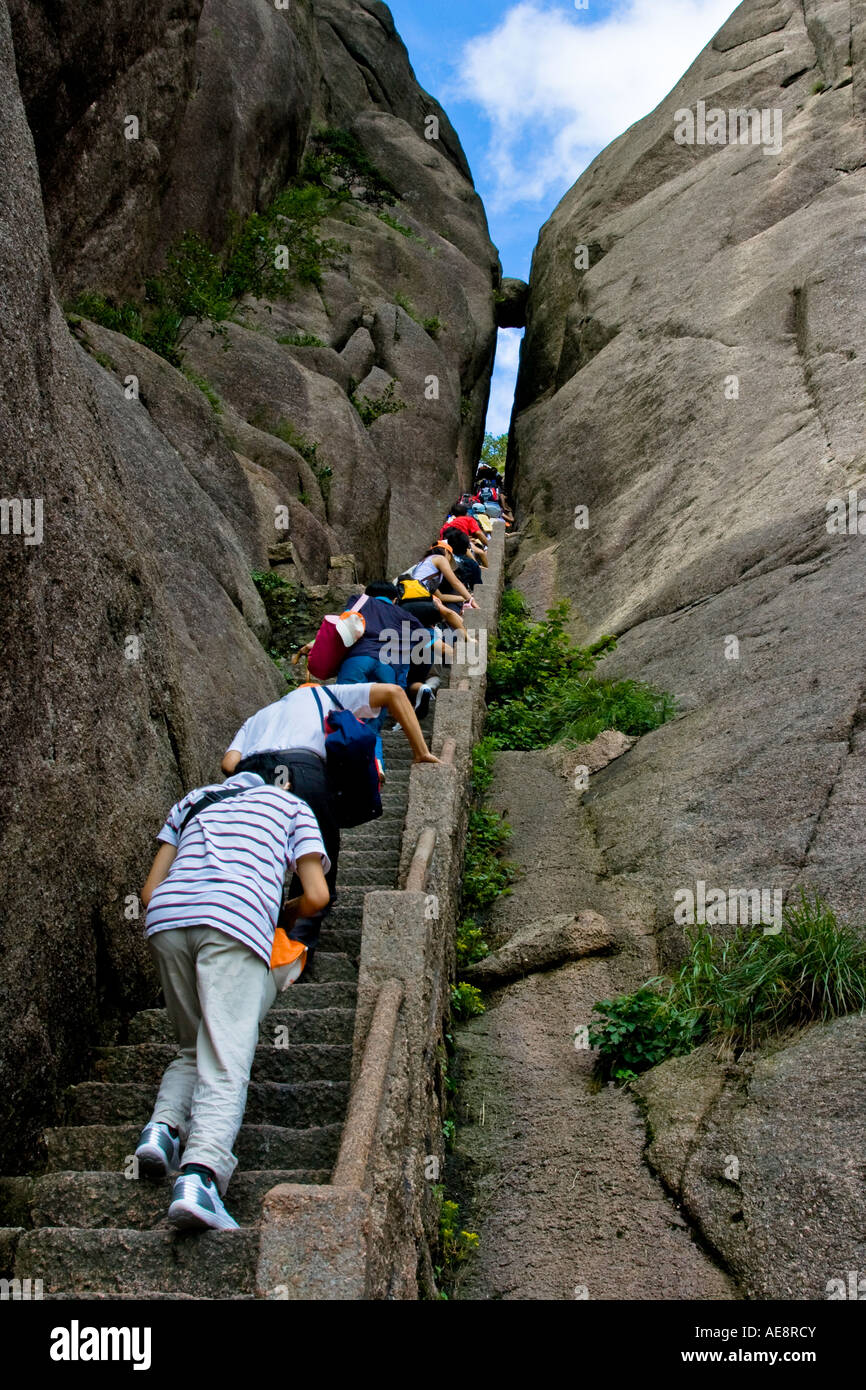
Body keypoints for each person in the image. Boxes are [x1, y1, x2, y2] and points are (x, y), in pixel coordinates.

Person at [135, 771, 330, 1231]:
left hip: (167, 919)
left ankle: (162, 1131)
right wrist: (284, 910)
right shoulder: (292, 807)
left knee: (193, 1045)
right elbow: (318, 895)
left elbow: (147, 892)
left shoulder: (194, 799)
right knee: (226, 1054)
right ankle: (200, 1176)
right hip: (233, 920)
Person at [220, 680, 439, 952]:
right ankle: (295, 946)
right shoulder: (323, 694)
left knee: (262, 857)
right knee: (316, 850)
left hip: (252, 778)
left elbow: (228, 763)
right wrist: (422, 752)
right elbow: (394, 692)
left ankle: (249, 929)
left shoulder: (258, 716)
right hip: (300, 768)